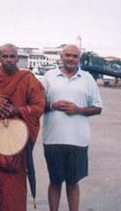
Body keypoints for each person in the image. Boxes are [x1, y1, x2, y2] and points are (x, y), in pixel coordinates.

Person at [0, 44, 45, 211]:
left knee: (13, 191)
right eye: (5, 56)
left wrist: (17, 110)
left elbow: (39, 107)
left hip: (15, 145)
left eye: (12, 57)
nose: (9, 60)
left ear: (18, 58)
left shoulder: (28, 79)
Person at [42, 44, 103, 211]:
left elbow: (98, 107)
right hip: (52, 139)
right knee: (55, 181)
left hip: (78, 140)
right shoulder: (49, 77)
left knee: (72, 182)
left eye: (74, 56)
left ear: (79, 59)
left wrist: (79, 110)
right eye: (67, 55)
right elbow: (37, 105)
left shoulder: (88, 79)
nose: (70, 58)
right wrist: (53, 105)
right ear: (61, 57)